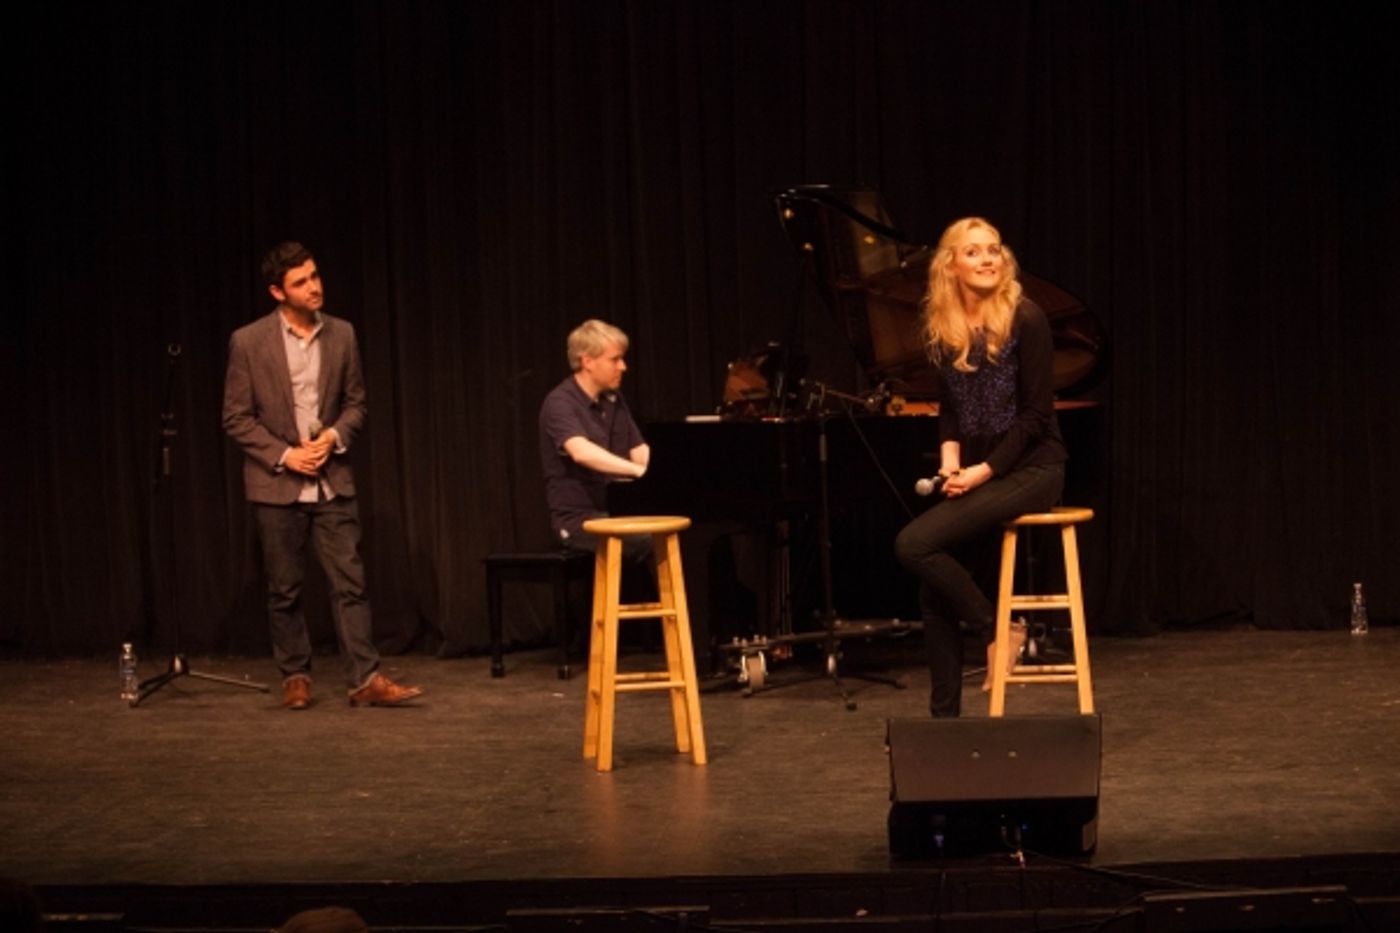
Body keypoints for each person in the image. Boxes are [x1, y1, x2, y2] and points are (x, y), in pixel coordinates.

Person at [223, 241, 423, 710]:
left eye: (315, 276)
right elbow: (236, 417)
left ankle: (364, 678)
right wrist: (284, 456)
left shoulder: (343, 335)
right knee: (284, 586)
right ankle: (295, 674)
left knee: (349, 581)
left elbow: (357, 403)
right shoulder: (248, 342)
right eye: (300, 282)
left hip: (332, 478)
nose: (314, 287)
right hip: (278, 483)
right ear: (278, 291)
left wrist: (333, 435)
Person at [894, 218, 1067, 717]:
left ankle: (999, 630)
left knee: (913, 543)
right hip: (982, 469)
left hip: (1034, 470)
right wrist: (951, 462)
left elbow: (1036, 417)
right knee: (933, 594)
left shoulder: (1026, 317)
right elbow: (950, 408)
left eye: (993, 249)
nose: (988, 258)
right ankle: (943, 722)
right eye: (973, 252)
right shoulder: (943, 328)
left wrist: (983, 471)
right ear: (951, 264)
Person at [539, 319, 651, 562]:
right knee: (648, 540)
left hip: (615, 513)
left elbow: (638, 447)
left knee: (679, 531)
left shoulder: (613, 399)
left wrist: (658, 471)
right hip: (580, 521)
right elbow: (581, 452)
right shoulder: (560, 402)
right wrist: (638, 471)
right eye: (615, 359)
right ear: (587, 361)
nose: (623, 366)